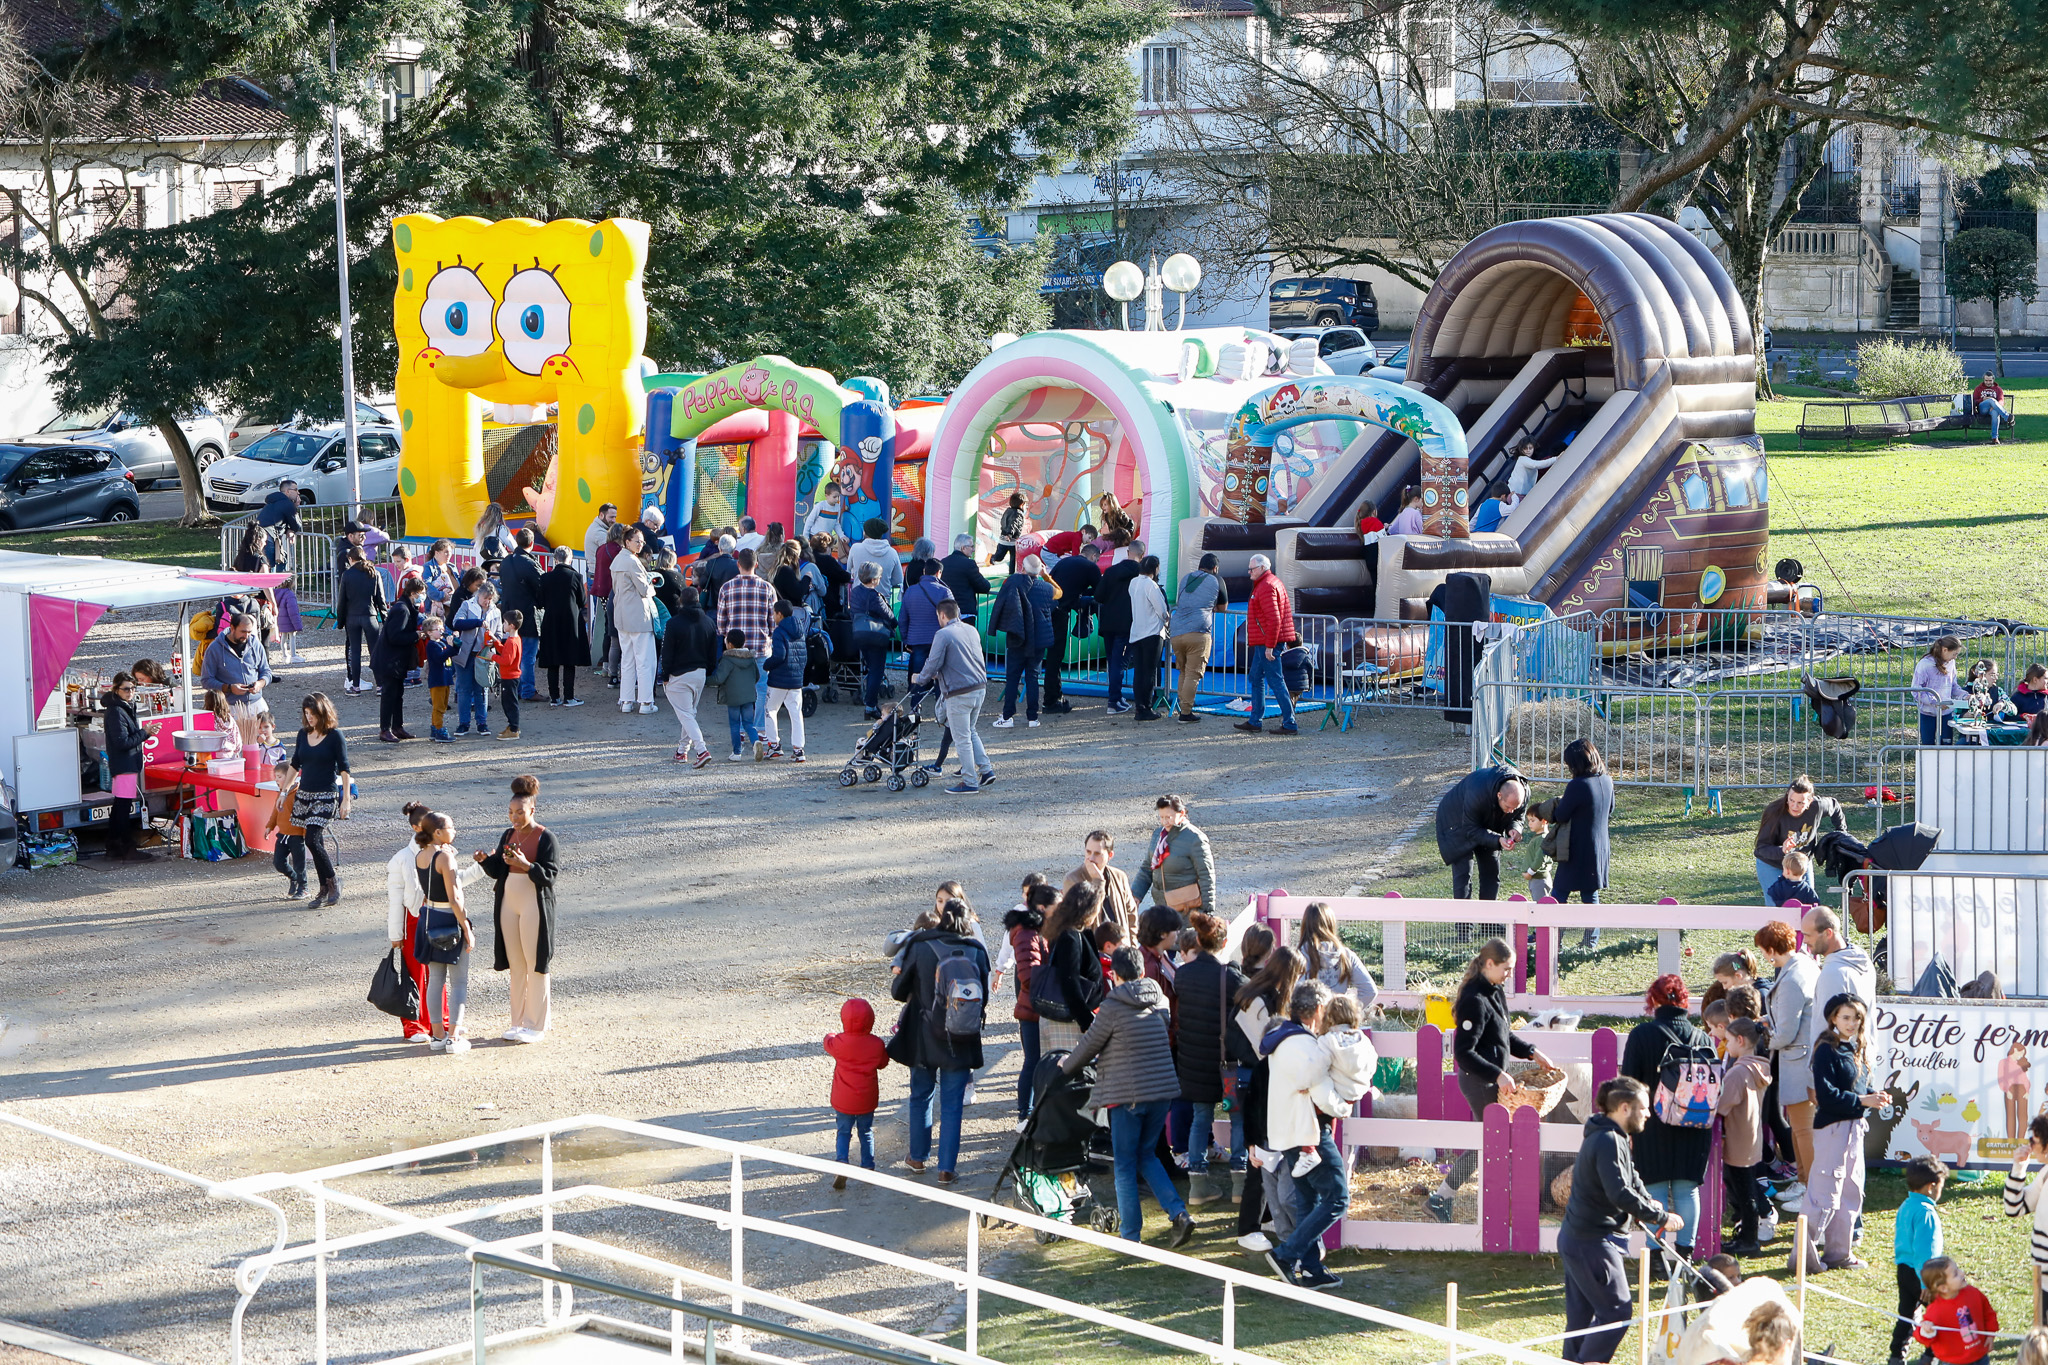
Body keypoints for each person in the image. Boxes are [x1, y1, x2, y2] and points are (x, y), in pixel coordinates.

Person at [1061, 944, 1197, 1246]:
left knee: (1123, 1164)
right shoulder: (1158, 1001)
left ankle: (1130, 1236)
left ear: (1116, 975)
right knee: (1146, 1155)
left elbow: (1090, 1045)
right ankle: (1178, 1213)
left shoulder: (1113, 1006)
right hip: (1161, 1094)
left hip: (1127, 1097)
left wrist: (1064, 1066)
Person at [1427, 938, 1555, 1222]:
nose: (1509, 975)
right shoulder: (1474, 999)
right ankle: (1494, 1204)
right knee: (1492, 1141)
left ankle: (1442, 1198)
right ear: (1489, 964)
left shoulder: (1495, 991)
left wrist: (1532, 1052)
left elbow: (1503, 1035)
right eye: (1506, 969)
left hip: (1493, 1079)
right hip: (1479, 1081)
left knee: (1483, 1142)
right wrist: (1497, 1074)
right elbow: (1463, 1052)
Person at [1560, 1077, 1681, 1365]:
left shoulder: (1612, 1136)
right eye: (1644, 1108)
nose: (1649, 1114)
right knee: (1616, 1310)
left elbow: (1631, 1178)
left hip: (1579, 1239)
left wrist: (1648, 1202)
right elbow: (1620, 1192)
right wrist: (1660, 1217)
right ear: (1624, 1108)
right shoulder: (1607, 1140)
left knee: (1581, 1318)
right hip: (1591, 1240)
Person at [887, 897, 989, 1184]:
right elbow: (984, 999)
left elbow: (897, 991)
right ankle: (947, 1168)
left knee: (921, 1095)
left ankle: (918, 1158)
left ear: (942, 917)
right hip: (961, 1036)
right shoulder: (977, 952)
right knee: (953, 1103)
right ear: (968, 921)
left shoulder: (920, 946)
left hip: (924, 1036)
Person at [1621, 973, 1715, 1265]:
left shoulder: (1641, 1035)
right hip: (1694, 1121)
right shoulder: (1702, 1037)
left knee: (1655, 1188)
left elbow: (1629, 1082)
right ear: (1685, 1002)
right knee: (1687, 1189)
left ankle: (1658, 1255)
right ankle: (1685, 1254)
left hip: (1653, 1123)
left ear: (1654, 1001)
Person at [1259, 979, 1344, 1287]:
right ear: (1318, 1009)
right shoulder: (1302, 1043)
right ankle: (1287, 1255)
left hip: (1292, 1131)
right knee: (1337, 1198)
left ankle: (1311, 1269)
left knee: (1307, 1199)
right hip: (1307, 1132)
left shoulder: (1285, 1039)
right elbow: (1317, 1081)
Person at [1801, 992, 1889, 1272]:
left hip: (1855, 1128)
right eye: (1846, 1017)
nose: (1852, 1023)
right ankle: (1804, 1257)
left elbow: (1857, 1089)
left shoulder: (1856, 1047)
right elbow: (1826, 1096)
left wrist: (1874, 1096)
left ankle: (1839, 1253)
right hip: (1832, 1129)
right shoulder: (1826, 1049)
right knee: (1824, 1192)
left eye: (1857, 1018)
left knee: (1851, 1191)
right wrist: (1863, 1101)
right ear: (1833, 1019)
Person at [469, 774, 557, 1043]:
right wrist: (485, 861)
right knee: (517, 964)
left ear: (532, 810)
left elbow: (550, 875)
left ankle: (536, 1025)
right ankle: (518, 1022)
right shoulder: (508, 834)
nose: (514, 817)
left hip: (533, 903)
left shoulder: (546, 838)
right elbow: (498, 871)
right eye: (510, 812)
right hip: (509, 902)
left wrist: (527, 864)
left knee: (535, 963)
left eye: (520, 812)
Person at [1173, 910, 1249, 1198]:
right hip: (1226, 1063)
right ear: (1224, 941)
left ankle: (1198, 1186)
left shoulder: (1183, 975)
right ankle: (1240, 1185)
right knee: (1238, 1118)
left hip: (1193, 1063)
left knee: (1200, 1117)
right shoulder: (1229, 976)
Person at [1756, 920, 1819, 1182]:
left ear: (1771, 950)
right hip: (1804, 1057)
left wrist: (1762, 1045)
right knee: (1800, 1128)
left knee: (1803, 1130)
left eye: (1763, 951)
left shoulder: (1791, 978)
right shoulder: (1803, 964)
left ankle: (1809, 1186)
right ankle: (1803, 1180)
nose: (1763, 956)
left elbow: (1786, 1032)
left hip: (1798, 1060)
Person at [409, 812, 474, 1053]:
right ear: (437, 832)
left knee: (435, 980)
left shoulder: (420, 856)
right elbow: (455, 897)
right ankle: (453, 1038)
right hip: (449, 917)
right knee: (458, 981)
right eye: (450, 827)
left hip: (430, 917)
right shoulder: (445, 858)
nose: (454, 830)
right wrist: (466, 926)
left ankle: (437, 1036)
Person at [915, 600, 992, 795]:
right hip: (979, 687)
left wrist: (920, 679)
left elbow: (933, 662)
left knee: (962, 737)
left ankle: (969, 780)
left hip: (959, 692)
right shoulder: (971, 630)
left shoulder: (943, 634)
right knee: (971, 731)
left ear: (942, 615)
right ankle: (986, 769)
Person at [1718, 1019, 1774, 1253]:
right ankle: (1747, 1235)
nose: (1726, 1044)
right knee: (1748, 1188)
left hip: (1737, 1139)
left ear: (1740, 1041)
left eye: (1728, 1040)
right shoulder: (1760, 1067)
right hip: (1751, 1138)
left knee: (1744, 1193)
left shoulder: (1738, 1072)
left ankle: (1749, 1240)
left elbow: (1722, 1105)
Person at [291, 694, 351, 908]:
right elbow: (295, 763)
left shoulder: (335, 736)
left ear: (322, 713)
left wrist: (346, 800)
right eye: (306, 714)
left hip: (326, 794)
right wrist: (283, 791)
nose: (309, 719)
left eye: (312, 714)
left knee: (312, 840)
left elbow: (344, 768)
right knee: (317, 843)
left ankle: (334, 881)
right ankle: (324, 888)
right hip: (305, 794)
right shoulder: (302, 734)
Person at [823, 997, 889, 1189]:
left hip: (844, 1099)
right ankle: (867, 1166)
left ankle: (842, 1163)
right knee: (866, 1132)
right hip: (866, 1099)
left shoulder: (839, 1043)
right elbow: (883, 1063)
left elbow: (827, 1042)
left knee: (843, 1132)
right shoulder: (876, 1044)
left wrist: (830, 1034)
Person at [1037, 881, 1110, 1055]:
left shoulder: (1068, 932)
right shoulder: (1070, 936)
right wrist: (1086, 1020)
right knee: (1069, 1078)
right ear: (1089, 908)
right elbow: (1069, 982)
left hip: (1067, 1019)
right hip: (1068, 1022)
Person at [1436, 765, 1528, 902]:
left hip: (1488, 820)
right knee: (1463, 874)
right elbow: (1471, 829)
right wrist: (1497, 839)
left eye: (1515, 807)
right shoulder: (1476, 792)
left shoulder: (1523, 792)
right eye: (1508, 807)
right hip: (1456, 821)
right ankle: (1464, 923)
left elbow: (1518, 817)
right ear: (1499, 795)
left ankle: (1489, 922)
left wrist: (1514, 829)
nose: (1511, 811)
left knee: (1491, 872)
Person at [384, 801, 436, 1041]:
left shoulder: (443, 852)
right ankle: (413, 1025)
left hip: (437, 916)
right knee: (415, 974)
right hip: (412, 922)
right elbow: (395, 900)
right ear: (416, 827)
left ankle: (439, 1021)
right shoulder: (401, 859)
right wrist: (395, 935)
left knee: (438, 971)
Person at [1004, 883, 1056, 1121]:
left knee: (1037, 1061)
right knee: (1033, 1062)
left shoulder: (1039, 929)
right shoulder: (1027, 932)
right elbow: (1028, 976)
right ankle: (1025, 1115)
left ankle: (1032, 1112)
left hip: (1037, 1006)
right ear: (1043, 907)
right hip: (1033, 1008)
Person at [1892, 1156, 1948, 1365]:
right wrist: (1927, 1282)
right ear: (1931, 1186)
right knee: (1939, 1315)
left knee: (1906, 1315)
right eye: (1941, 1186)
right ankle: (1933, 1356)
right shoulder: (1927, 1213)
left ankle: (1896, 1356)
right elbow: (1926, 1252)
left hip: (1904, 1270)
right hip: (1923, 1274)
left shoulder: (1906, 1206)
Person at [1753, 776, 1848, 897]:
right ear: (1787, 796)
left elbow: (1834, 806)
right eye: (1791, 800)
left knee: (1806, 903)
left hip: (1801, 862)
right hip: (1772, 863)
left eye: (1800, 803)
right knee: (1777, 907)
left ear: (1809, 801)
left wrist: (1842, 832)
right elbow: (1761, 848)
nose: (1794, 806)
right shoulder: (1774, 812)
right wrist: (1782, 850)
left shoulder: (1818, 806)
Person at [989, 554, 1055, 728]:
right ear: (1040, 569)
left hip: (1017, 637)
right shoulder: (1047, 589)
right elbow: (1059, 593)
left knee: (1012, 677)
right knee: (1033, 677)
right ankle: (1033, 718)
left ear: (1023, 568)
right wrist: (1046, 576)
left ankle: (1007, 716)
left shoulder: (1013, 583)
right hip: (1039, 639)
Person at [1237, 554, 1298, 734]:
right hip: (1267, 640)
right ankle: (1256, 720)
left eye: (1252, 569)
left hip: (1268, 642)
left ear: (1262, 568)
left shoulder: (1265, 587)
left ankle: (1289, 722)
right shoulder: (1271, 583)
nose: (1249, 573)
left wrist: (1270, 646)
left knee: (1274, 680)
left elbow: (1274, 619)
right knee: (1257, 678)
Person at [1129, 793, 1216, 916]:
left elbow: (1206, 876)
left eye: (1169, 817)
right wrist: (1136, 895)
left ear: (1181, 814)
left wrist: (1207, 911)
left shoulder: (1196, 838)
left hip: (1188, 909)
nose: (1165, 822)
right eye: (1161, 817)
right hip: (1162, 908)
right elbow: (1147, 868)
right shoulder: (1158, 835)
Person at [661, 586, 719, 768]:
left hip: (678, 674)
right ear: (698, 601)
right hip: (700, 673)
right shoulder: (709, 622)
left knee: (686, 715)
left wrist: (665, 674)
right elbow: (713, 653)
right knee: (689, 714)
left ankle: (701, 750)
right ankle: (681, 751)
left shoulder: (673, 623)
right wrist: (708, 670)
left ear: (681, 601)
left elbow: (667, 652)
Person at [1168, 552, 1227, 723]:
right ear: (1215, 568)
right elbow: (1223, 608)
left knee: (1183, 671)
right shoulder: (1217, 580)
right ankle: (1186, 713)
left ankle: (1182, 707)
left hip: (1177, 630)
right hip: (1199, 631)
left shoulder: (1186, 578)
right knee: (1193, 674)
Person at [200, 612, 273, 746]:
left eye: (250, 632)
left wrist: (260, 684)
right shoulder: (214, 649)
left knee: (260, 748)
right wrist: (228, 688)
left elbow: (267, 672)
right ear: (232, 628)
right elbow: (206, 681)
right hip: (230, 708)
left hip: (256, 706)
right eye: (243, 631)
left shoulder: (255, 645)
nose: (246, 636)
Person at [611, 526, 660, 714]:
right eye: (637, 541)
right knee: (645, 660)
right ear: (627, 542)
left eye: (642, 541)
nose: (641, 544)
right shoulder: (632, 561)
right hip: (638, 616)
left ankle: (626, 700)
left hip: (622, 615)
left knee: (628, 660)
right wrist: (652, 587)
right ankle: (646, 702)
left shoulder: (617, 560)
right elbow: (645, 589)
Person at [2004, 1115, 2048, 1325]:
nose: (2029, 1145)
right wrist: (2019, 1167)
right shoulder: (2045, 1173)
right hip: (2043, 1275)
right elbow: (2014, 1208)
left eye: (2034, 1141)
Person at [1914, 1256, 1998, 1365]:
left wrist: (1990, 1334)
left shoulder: (1973, 1293)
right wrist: (1927, 1331)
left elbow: (1988, 1313)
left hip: (1980, 1356)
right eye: (1955, 1274)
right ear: (1943, 1288)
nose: (1962, 1273)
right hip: (1954, 1361)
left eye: (1958, 1269)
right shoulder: (1935, 1311)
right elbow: (1922, 1337)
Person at [100, 672, 148, 862]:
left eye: (133, 688)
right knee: (122, 807)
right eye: (126, 689)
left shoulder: (123, 707)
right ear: (116, 689)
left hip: (126, 763)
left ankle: (114, 845)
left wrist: (145, 733)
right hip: (124, 764)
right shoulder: (116, 711)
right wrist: (144, 733)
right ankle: (125, 847)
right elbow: (122, 742)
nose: (130, 692)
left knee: (120, 806)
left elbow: (127, 738)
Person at [532, 546, 588, 707]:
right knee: (569, 660)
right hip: (571, 621)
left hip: (551, 621)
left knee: (553, 660)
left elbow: (540, 602)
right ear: (570, 559)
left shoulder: (545, 578)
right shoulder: (576, 576)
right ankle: (569, 697)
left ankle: (554, 697)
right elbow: (581, 600)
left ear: (555, 559)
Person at [1065, 829, 1141, 944]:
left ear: (1110, 855)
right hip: (1093, 951)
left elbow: (1131, 913)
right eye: (1088, 852)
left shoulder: (1119, 876)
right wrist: (1098, 881)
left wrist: (1132, 946)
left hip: (1120, 950)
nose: (1091, 858)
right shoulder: (1073, 879)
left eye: (1097, 854)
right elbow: (1081, 919)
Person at [371, 578, 424, 742]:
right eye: (421, 594)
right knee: (389, 694)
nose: (422, 597)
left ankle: (397, 727)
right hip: (389, 660)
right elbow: (395, 636)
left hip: (394, 660)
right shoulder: (402, 610)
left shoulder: (404, 607)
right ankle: (385, 729)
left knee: (397, 693)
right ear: (413, 593)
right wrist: (415, 635)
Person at [1298, 901, 1377, 1009]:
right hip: (1338, 1021)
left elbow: (1290, 993)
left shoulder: (1299, 956)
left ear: (1305, 925)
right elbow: (1370, 991)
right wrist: (1347, 1012)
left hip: (1308, 1021)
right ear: (1331, 924)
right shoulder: (1347, 955)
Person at [1096, 539, 1144, 715]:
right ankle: (1114, 700)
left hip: (1108, 623)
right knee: (1120, 662)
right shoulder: (1142, 574)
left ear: (1127, 552)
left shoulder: (1111, 571)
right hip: (1129, 624)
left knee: (1113, 661)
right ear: (1142, 555)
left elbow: (1099, 596)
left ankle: (1115, 698)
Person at [498, 528, 545, 701]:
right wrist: (542, 604)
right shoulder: (530, 563)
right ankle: (527, 690)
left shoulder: (506, 561)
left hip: (510, 612)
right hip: (528, 612)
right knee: (527, 655)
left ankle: (516, 689)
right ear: (531, 543)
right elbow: (541, 586)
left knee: (514, 652)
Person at [449, 581, 500, 737]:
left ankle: (482, 723)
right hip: (465, 654)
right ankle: (463, 724)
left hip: (483, 656)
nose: (487, 601)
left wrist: (494, 641)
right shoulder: (467, 605)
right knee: (464, 689)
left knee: (482, 689)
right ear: (479, 595)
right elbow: (456, 623)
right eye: (485, 598)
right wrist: (477, 623)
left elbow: (499, 634)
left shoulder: (495, 611)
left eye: (490, 599)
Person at [849, 561, 897, 720]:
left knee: (870, 668)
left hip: (859, 634)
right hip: (875, 635)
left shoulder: (854, 592)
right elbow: (889, 616)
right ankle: (870, 705)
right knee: (877, 670)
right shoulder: (875, 596)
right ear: (875, 579)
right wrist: (896, 625)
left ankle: (869, 703)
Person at [762, 600, 808, 762]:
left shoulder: (779, 632)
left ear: (779, 614)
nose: (773, 616)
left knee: (770, 709)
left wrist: (767, 665)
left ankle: (774, 745)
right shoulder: (800, 630)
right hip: (796, 679)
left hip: (779, 679)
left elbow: (779, 656)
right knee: (796, 713)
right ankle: (798, 749)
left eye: (774, 613)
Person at [336, 547, 387, 695]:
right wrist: (385, 619)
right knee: (375, 651)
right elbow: (381, 600)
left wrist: (340, 621)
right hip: (370, 616)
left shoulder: (347, 575)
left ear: (350, 559)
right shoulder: (374, 573)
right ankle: (380, 685)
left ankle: (356, 686)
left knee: (355, 652)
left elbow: (342, 601)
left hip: (352, 617)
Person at [708, 627, 763, 761]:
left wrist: (705, 680)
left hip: (732, 697)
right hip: (749, 697)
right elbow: (757, 676)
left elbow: (719, 679)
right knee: (749, 723)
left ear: (730, 644)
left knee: (735, 724)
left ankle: (737, 752)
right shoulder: (751, 658)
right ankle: (755, 741)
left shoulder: (727, 660)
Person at [1127, 554, 1170, 722]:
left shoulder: (1133, 583)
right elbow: (1161, 609)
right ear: (1155, 568)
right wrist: (1167, 618)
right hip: (1152, 632)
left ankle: (1139, 705)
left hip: (1137, 631)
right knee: (1150, 671)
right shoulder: (1151, 586)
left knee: (1139, 671)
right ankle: (1146, 706)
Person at [899, 559, 955, 681]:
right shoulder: (945, 591)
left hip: (916, 639)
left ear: (924, 571)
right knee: (940, 674)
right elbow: (955, 617)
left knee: (917, 674)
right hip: (939, 638)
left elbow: (903, 619)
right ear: (938, 572)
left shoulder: (910, 591)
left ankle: (915, 697)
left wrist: (905, 639)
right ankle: (940, 697)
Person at [1914, 636, 1971, 746]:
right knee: (1928, 745)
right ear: (1945, 650)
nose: (1955, 657)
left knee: (1946, 744)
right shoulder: (1925, 664)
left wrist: (1965, 696)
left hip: (1946, 714)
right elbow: (1916, 690)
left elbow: (1953, 685)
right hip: (1928, 713)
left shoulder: (1951, 663)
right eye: (1954, 654)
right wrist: (1935, 702)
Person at [938, 534, 991, 622]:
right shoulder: (969, 564)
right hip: (965, 613)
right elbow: (984, 586)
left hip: (946, 612)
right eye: (972, 547)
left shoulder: (943, 562)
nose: (973, 550)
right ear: (963, 548)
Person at [421, 617, 457, 743]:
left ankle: (435, 728)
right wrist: (450, 647)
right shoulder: (432, 645)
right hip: (437, 680)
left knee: (444, 704)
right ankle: (438, 728)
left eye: (442, 628)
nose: (441, 631)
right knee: (438, 706)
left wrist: (454, 645)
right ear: (429, 632)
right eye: (437, 629)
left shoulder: (441, 642)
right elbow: (439, 658)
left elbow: (452, 653)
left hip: (445, 678)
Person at [490, 612, 525, 740]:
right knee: (510, 702)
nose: (503, 625)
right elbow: (505, 653)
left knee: (509, 703)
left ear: (511, 625)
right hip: (512, 676)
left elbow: (506, 660)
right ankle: (513, 726)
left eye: (504, 623)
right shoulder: (515, 639)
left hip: (509, 677)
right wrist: (496, 642)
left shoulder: (511, 641)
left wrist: (492, 657)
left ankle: (514, 728)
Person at [847, 517, 901, 596]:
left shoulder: (855, 548)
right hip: (883, 600)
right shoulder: (892, 552)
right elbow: (898, 579)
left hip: (858, 599)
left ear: (865, 532)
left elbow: (848, 570)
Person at [1972, 371, 2012, 441]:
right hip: (1982, 409)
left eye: (1990, 380)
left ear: (1993, 380)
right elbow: (1974, 401)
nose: (1988, 382)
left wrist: (1994, 406)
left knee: (1995, 413)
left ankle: (1995, 437)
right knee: (1991, 400)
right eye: (1986, 380)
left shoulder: (1998, 389)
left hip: (1993, 408)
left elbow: (2001, 400)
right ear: (1983, 380)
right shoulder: (1978, 388)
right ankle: (2007, 417)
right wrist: (1983, 399)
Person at [992, 491, 1027, 566]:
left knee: (1000, 555)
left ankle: (993, 558)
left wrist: (1004, 533)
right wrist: (1009, 534)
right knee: (1013, 558)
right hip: (1011, 540)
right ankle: (1012, 572)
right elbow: (1013, 524)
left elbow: (1003, 521)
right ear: (1022, 505)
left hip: (1003, 538)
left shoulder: (1008, 511)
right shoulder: (1018, 513)